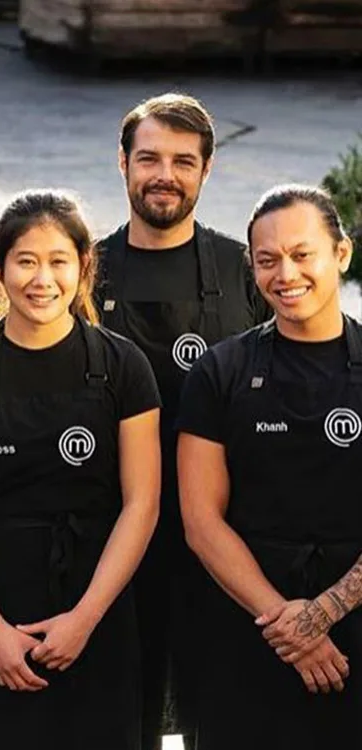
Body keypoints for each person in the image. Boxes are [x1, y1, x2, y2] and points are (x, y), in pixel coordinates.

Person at [0, 191, 161, 749]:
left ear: (83, 267)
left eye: (58, 261)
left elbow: (142, 503)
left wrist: (85, 619)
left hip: (97, 606)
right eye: (26, 261)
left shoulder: (124, 365)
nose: (42, 279)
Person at [93, 93, 270, 750]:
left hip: (222, 531)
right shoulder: (83, 271)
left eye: (182, 161)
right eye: (149, 159)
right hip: (110, 531)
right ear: (123, 163)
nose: (164, 175)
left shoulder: (244, 269)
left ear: (207, 169)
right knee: (121, 709)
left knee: (217, 709)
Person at [178, 184, 362, 749]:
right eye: (267, 260)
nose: (286, 274)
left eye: (302, 254)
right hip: (247, 627)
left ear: (341, 254)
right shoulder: (219, 372)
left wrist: (324, 612)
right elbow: (201, 521)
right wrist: (286, 623)